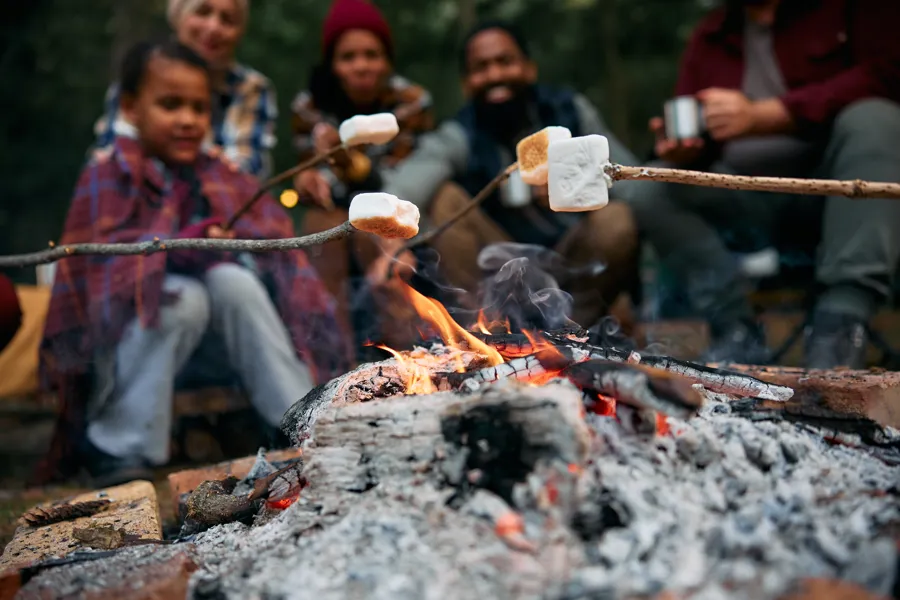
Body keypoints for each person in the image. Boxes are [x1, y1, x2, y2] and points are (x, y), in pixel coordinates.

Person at [36, 40, 351, 486]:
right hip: (131, 356)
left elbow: (277, 254)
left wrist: (229, 245)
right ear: (130, 107)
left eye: (199, 108)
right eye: (170, 105)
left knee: (233, 282)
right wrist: (180, 247)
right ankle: (121, 445)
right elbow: (100, 284)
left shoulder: (220, 175)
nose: (187, 120)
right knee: (181, 297)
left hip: (220, 356)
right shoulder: (109, 172)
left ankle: (302, 416)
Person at [627, 0, 900, 368]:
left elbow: (886, 75)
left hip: (836, 194)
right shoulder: (710, 36)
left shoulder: (846, 9)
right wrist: (683, 154)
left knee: (876, 118)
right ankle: (733, 329)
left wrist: (764, 116)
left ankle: (840, 322)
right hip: (746, 201)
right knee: (649, 185)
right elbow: (697, 141)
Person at [380, 21, 641, 330]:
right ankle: (491, 331)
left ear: (529, 68)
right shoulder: (461, 134)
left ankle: (570, 331)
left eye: (505, 62)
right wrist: (389, 246)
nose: (494, 75)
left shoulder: (570, 111)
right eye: (481, 67)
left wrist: (582, 187)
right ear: (466, 83)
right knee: (446, 199)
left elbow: (636, 186)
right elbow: (397, 193)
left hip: (574, 258)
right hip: (498, 270)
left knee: (618, 218)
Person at [290, 0, 434, 348]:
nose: (362, 66)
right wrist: (310, 179)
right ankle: (330, 352)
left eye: (372, 54)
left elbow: (409, 172)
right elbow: (311, 173)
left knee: (374, 230)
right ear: (332, 64)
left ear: (387, 60)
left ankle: (406, 347)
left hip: (396, 201)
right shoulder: (309, 108)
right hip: (336, 207)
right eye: (348, 57)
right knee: (319, 227)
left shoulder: (411, 103)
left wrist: (345, 164)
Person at [94, 0, 277, 179]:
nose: (213, 27)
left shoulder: (251, 89)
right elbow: (109, 161)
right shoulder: (139, 78)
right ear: (177, 16)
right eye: (202, 12)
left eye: (227, 19)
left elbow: (246, 175)